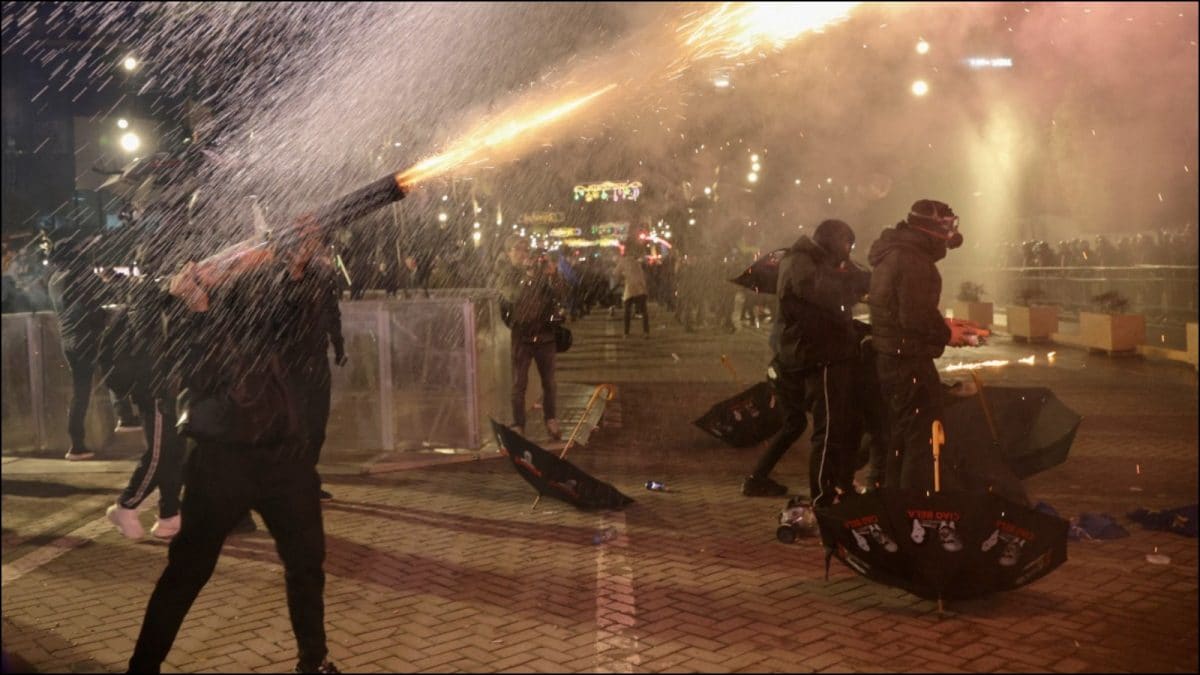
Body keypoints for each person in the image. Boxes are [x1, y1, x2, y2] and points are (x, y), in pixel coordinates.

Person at [127, 247, 339, 675]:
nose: (250, 260)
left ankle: (313, 663)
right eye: (235, 259)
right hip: (221, 461)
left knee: (306, 564)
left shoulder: (269, 303)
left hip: (285, 457)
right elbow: (197, 375)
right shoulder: (189, 312)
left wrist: (297, 275)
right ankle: (141, 668)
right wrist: (196, 311)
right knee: (188, 570)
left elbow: (301, 333)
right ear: (208, 272)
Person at [742, 220, 869, 504]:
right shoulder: (800, 262)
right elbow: (821, 295)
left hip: (807, 354)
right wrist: (855, 284)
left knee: (818, 425)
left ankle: (835, 485)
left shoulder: (806, 261)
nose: (848, 252)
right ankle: (824, 497)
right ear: (835, 241)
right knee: (826, 430)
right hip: (813, 356)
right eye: (847, 245)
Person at [867, 199, 972, 492]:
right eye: (947, 226)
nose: (952, 233)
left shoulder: (897, 253)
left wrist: (943, 326)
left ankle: (893, 504)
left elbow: (907, 309)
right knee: (922, 440)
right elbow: (914, 317)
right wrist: (945, 334)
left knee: (902, 436)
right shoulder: (914, 260)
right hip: (907, 361)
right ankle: (914, 513)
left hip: (893, 357)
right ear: (932, 227)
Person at [494, 234, 567, 440]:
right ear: (509, 254)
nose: (522, 253)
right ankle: (518, 424)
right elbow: (512, 296)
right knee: (519, 384)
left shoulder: (541, 271)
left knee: (549, 382)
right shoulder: (506, 274)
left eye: (525, 249)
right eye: (517, 249)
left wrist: (553, 275)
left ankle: (551, 419)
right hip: (522, 336)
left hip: (545, 335)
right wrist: (527, 277)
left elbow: (561, 294)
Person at [47, 233, 110, 461]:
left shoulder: (54, 278)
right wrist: (103, 316)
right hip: (85, 337)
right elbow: (92, 303)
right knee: (107, 374)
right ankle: (125, 419)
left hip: (68, 339)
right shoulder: (79, 273)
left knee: (80, 391)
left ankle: (77, 443)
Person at [615, 242, 650, 339]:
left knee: (627, 311)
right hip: (640, 288)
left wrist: (622, 277)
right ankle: (646, 332)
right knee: (644, 311)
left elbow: (616, 273)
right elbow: (642, 276)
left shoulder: (623, 261)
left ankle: (626, 333)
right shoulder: (636, 262)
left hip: (630, 288)